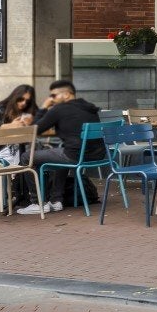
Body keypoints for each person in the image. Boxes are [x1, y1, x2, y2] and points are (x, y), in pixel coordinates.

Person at [24, 80, 103, 214]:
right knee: (61, 153)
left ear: (66, 94)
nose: (51, 99)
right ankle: (56, 201)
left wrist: (43, 107)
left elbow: (34, 130)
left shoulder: (59, 109)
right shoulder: (90, 108)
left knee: (26, 157)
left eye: (53, 95)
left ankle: (37, 203)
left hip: (75, 156)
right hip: (98, 155)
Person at [0, 84, 37, 203]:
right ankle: (20, 194)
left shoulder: (27, 111)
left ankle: (27, 195)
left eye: (27, 101)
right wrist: (7, 126)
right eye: (20, 99)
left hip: (21, 148)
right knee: (26, 157)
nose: (23, 103)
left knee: (32, 155)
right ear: (14, 96)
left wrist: (32, 122)